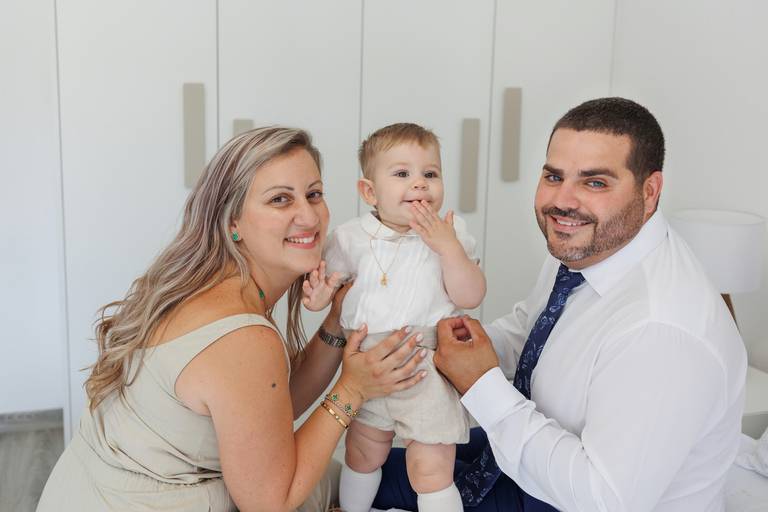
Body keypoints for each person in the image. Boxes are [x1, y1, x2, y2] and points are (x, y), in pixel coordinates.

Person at [374, 97, 748, 512]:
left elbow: (602, 498)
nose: (563, 201)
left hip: (572, 498)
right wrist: (434, 346)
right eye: (554, 176)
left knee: (384, 483)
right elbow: (532, 331)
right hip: (538, 451)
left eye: (595, 183)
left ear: (650, 191)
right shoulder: (590, 247)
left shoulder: (662, 330)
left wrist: (480, 384)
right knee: (370, 463)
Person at [36, 127, 429, 512]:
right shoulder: (242, 338)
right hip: (151, 501)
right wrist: (352, 389)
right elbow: (271, 503)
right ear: (232, 223)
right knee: (397, 479)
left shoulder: (198, 283)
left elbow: (267, 407)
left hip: (83, 492)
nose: (309, 216)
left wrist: (337, 321)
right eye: (280, 200)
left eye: (313, 194)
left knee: (378, 471)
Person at [302, 123, 486, 512]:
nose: (419, 184)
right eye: (402, 174)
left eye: (430, 174)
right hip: (366, 364)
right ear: (370, 192)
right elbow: (328, 290)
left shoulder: (450, 231)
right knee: (362, 452)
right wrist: (318, 297)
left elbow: (471, 296)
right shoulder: (351, 237)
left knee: (430, 468)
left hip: (427, 365)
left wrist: (449, 249)